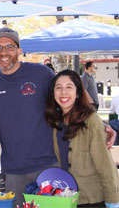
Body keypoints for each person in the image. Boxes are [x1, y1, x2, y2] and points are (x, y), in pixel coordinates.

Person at [0, 27, 59, 206]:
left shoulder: (41, 73)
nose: (4, 52)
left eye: (9, 46)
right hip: (12, 171)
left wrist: (99, 124)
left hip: (47, 166)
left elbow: (70, 96)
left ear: (19, 50)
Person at [45, 69, 119, 207]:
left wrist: (112, 200)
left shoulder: (91, 121)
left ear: (78, 93)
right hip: (67, 197)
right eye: (58, 88)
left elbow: (105, 165)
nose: (63, 92)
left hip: (92, 199)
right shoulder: (55, 122)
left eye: (69, 87)